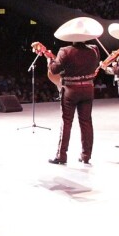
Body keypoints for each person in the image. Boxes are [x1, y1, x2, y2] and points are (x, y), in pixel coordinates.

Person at [47, 17, 103, 165]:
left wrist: (49, 61)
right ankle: (86, 155)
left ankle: (61, 155)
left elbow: (54, 70)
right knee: (86, 122)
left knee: (66, 122)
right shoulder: (93, 52)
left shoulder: (65, 51)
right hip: (88, 89)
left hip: (71, 90)